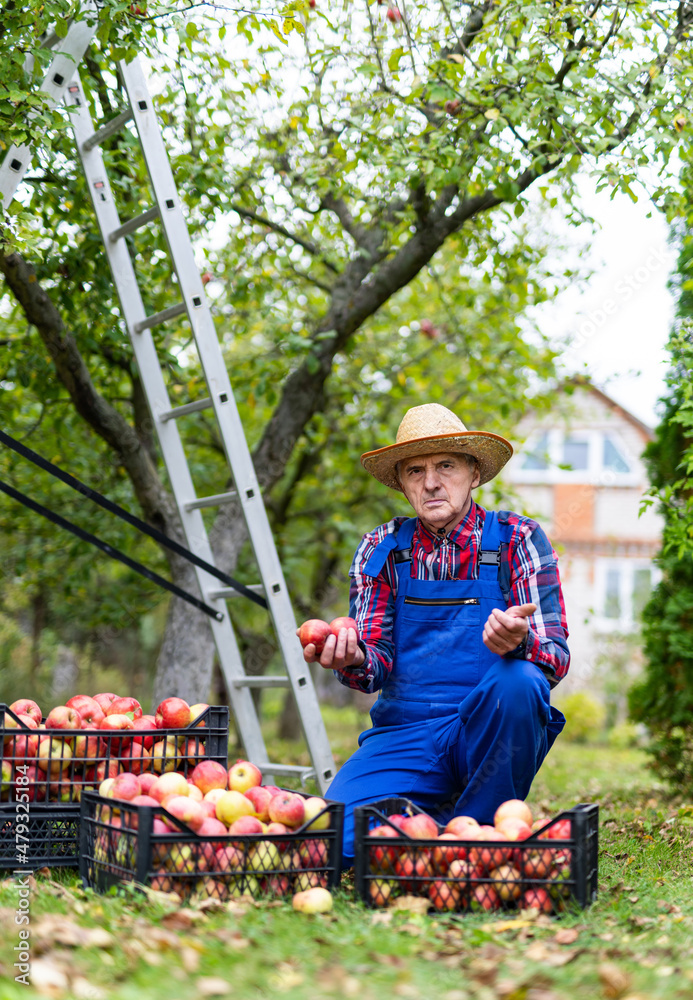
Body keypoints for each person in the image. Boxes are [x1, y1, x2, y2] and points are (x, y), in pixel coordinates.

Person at [301, 403, 569, 865]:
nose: (431, 482)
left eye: (445, 465)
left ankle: (473, 838)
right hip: (406, 734)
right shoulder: (380, 547)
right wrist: (353, 659)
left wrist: (520, 644)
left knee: (521, 682)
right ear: (403, 483)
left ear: (473, 472)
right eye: (415, 471)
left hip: (486, 732)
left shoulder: (517, 540)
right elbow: (375, 661)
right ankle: (440, 817)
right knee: (331, 841)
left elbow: (556, 656)